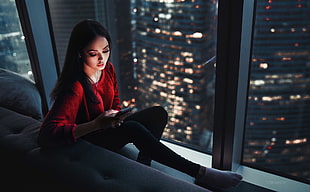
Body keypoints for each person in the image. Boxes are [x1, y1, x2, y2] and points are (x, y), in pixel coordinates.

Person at [38, 19, 242, 189]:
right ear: (80, 53)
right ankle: (200, 172)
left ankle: (143, 164)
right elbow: (46, 135)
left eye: (106, 50)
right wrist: (97, 124)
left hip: (105, 128)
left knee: (158, 113)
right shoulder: (75, 88)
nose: (102, 58)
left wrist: (117, 116)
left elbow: (115, 100)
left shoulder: (107, 70)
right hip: (89, 139)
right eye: (94, 54)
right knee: (134, 128)